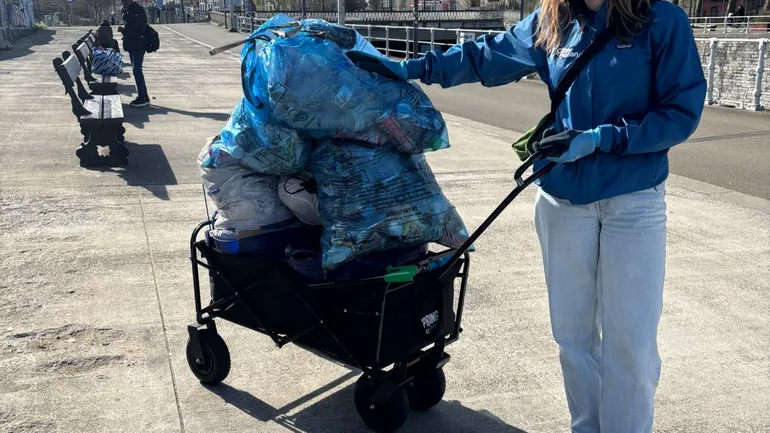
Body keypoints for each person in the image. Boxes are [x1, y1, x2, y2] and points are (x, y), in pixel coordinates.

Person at [348, 0, 706, 432]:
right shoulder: (551, 20)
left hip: (633, 201)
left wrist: (602, 138)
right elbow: (485, 55)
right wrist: (409, 68)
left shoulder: (661, 19)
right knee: (572, 339)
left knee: (631, 344)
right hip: (561, 198)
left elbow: (680, 113)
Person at [118, 0, 150, 107]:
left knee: (137, 70)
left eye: (124, 1)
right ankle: (143, 96)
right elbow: (131, 28)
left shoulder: (137, 10)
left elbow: (136, 25)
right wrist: (123, 30)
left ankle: (143, 98)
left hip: (138, 45)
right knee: (137, 71)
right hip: (133, 45)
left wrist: (125, 14)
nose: (123, 3)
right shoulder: (132, 10)